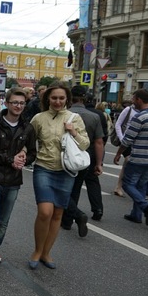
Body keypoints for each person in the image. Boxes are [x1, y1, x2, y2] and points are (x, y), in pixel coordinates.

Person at [28, 82, 89, 269]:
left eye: (61, 98)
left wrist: (73, 131)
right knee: (45, 211)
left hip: (66, 171)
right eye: (54, 98)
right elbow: (27, 140)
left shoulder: (74, 118)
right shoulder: (38, 118)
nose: (57, 101)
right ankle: (37, 250)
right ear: (48, 99)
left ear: (67, 99)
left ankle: (46, 253)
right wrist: (22, 153)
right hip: (43, 167)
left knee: (58, 214)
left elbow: (85, 144)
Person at [0, 88, 37, 272]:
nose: (18, 106)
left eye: (22, 103)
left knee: (3, 221)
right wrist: (11, 159)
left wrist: (24, 159)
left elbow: (33, 153)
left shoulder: (27, 128)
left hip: (13, 181)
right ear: (7, 103)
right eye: (15, 102)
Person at [113, 89, 148, 226]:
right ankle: (136, 215)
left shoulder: (139, 117)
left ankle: (146, 206)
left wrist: (118, 153)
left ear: (139, 100)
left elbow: (127, 140)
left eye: (134, 99)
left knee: (127, 184)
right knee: (141, 185)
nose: (132, 102)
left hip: (139, 158)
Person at [61, 86, 104, 236]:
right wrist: (99, 163)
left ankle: (72, 218)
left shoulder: (64, 115)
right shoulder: (94, 116)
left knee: (60, 188)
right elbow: (99, 142)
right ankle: (70, 219)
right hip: (85, 158)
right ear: (85, 98)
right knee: (76, 189)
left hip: (64, 157)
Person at [112, 101, 138, 197]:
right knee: (128, 160)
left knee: (127, 164)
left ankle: (121, 186)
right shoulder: (128, 109)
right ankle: (119, 187)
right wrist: (122, 138)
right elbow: (118, 124)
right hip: (126, 140)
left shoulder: (145, 111)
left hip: (137, 141)